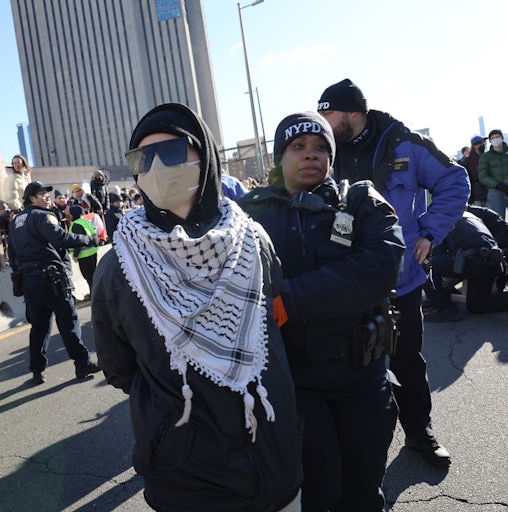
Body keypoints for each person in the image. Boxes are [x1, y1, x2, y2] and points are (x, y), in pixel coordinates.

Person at [92, 102, 301, 512]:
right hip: (185, 472)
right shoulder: (119, 266)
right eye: (141, 159)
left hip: (271, 455)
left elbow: (278, 328)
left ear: (204, 158)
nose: (155, 168)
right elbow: (119, 368)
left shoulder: (252, 240)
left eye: (170, 152)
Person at [238, 111, 404, 510]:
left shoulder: (361, 201)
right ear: (279, 157)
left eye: (319, 147)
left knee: (363, 489)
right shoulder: (249, 215)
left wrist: (290, 299)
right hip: (295, 381)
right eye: (298, 146)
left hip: (362, 375)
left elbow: (380, 267)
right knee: (316, 489)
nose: (310, 154)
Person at [317, 78, 470, 468]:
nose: (322, 123)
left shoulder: (404, 142)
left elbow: (454, 181)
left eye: (328, 114)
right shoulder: (322, 150)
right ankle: (357, 451)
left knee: (406, 361)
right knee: (349, 365)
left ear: (355, 113)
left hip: (400, 277)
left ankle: (419, 433)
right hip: (345, 280)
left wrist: (430, 234)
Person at [7, 181, 101, 385]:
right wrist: (89, 240)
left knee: (39, 327)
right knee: (68, 322)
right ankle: (82, 364)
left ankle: (37, 370)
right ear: (32, 198)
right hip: (52, 280)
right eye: (42, 194)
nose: (47, 197)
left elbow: (11, 254)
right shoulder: (43, 216)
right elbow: (61, 238)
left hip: (30, 282)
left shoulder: (15, 222)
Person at [423, 207, 508, 322]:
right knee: (475, 305)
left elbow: (436, 257)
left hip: (474, 260)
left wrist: (435, 294)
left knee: (426, 266)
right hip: (490, 262)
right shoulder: (468, 216)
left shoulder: (440, 222)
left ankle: (446, 309)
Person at [67, 205, 98, 301]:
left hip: (84, 255)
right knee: (93, 274)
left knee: (89, 276)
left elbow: (78, 241)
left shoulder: (76, 224)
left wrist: (75, 255)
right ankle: (95, 293)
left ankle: (95, 295)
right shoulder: (84, 221)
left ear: (73, 215)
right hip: (92, 251)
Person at [458, 136, 488, 207]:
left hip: (488, 194)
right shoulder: (467, 162)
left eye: (484, 143)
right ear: (474, 145)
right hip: (475, 196)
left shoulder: (488, 157)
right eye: (481, 143)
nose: (483, 145)